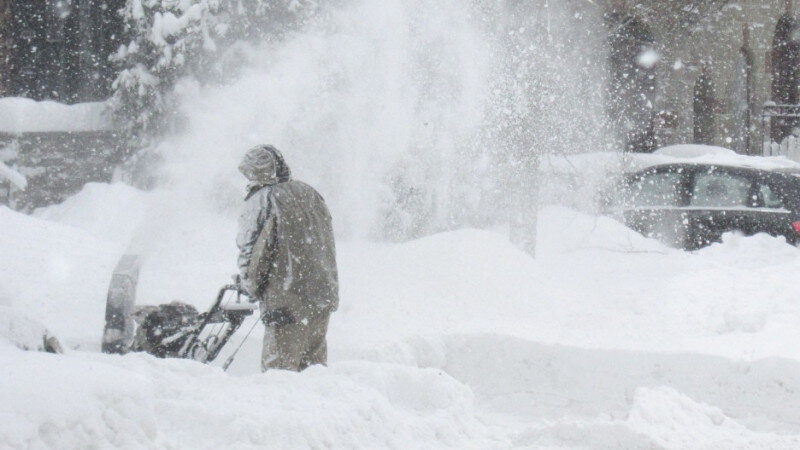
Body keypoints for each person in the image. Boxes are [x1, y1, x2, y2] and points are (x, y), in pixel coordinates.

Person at [236, 144, 339, 372]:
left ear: (256, 171)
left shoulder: (262, 199)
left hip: (285, 299)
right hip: (321, 296)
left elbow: (252, 251)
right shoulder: (310, 193)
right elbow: (326, 243)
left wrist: (250, 285)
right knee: (314, 370)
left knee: (279, 374)